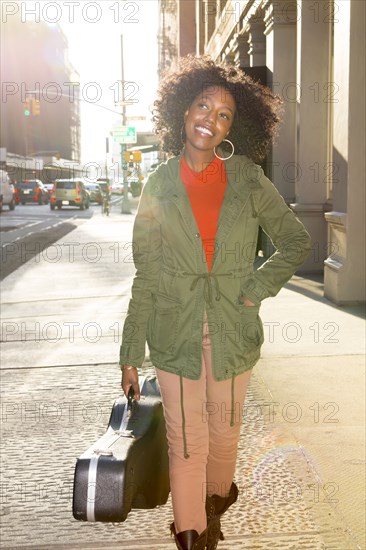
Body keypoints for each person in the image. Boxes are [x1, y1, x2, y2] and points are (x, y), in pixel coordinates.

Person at [119, 55, 311, 550]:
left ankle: (215, 501)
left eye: (224, 113)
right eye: (202, 106)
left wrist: (254, 289)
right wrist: (129, 355)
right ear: (182, 112)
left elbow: (294, 242)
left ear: (234, 125)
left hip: (233, 329)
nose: (210, 118)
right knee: (189, 441)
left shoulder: (246, 178)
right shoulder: (158, 185)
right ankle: (192, 533)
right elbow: (146, 275)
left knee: (224, 436)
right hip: (172, 330)